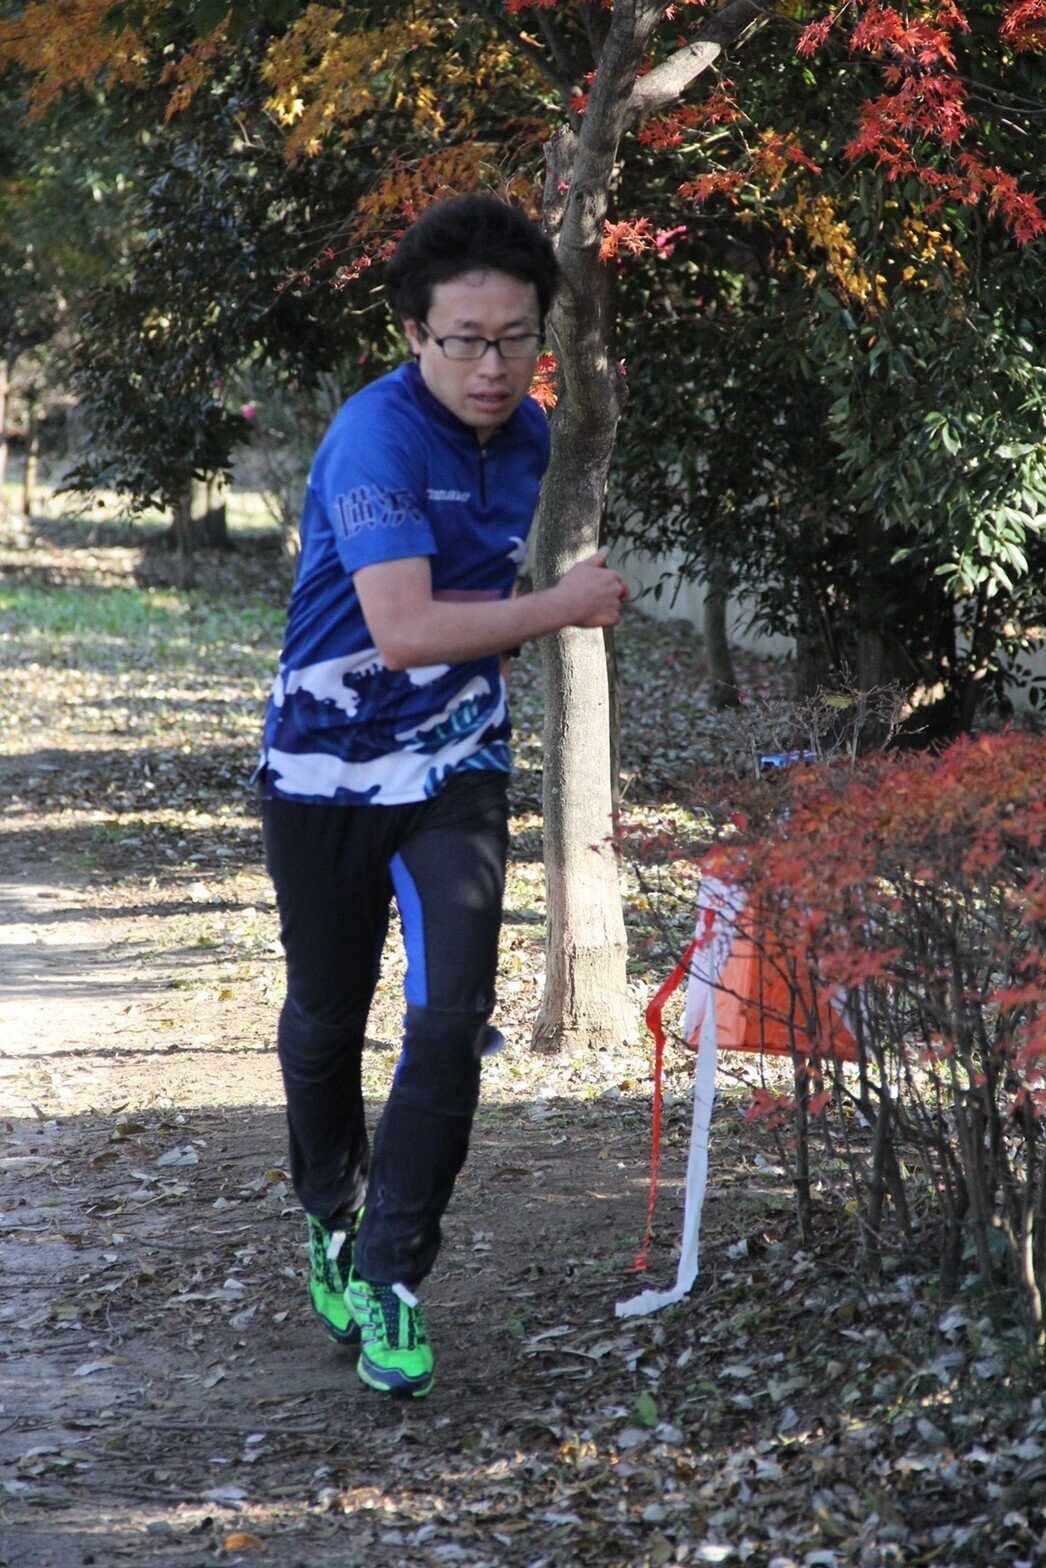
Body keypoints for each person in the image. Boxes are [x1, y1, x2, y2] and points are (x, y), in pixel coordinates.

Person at [256, 194, 626, 1399]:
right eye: (463, 337)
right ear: (412, 332)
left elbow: (458, 638)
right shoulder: (374, 438)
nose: (490, 363)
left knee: (448, 1017)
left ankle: (392, 1269)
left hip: (454, 767)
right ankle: (329, 1203)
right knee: (325, 1012)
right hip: (322, 769)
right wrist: (561, 607)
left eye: (515, 337)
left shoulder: (526, 435)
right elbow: (406, 628)